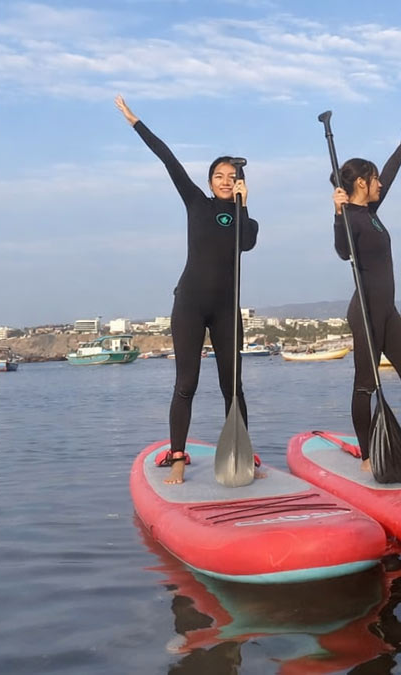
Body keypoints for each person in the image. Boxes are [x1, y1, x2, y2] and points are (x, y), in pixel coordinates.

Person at [116, 95, 259, 484]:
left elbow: (245, 244)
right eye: (220, 176)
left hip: (227, 309)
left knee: (234, 386)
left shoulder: (247, 219)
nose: (226, 181)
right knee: (187, 383)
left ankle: (243, 453)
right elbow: (168, 159)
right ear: (210, 181)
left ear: (240, 183)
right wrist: (136, 123)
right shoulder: (196, 201)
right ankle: (177, 456)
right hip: (191, 304)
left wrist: (245, 205)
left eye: (232, 177)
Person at [331, 113, 401, 471]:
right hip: (365, 312)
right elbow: (343, 252)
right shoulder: (349, 217)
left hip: (387, 311)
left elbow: (391, 178)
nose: (380, 183)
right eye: (375, 179)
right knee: (365, 385)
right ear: (362, 183)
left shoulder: (371, 212)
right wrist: (337, 214)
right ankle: (367, 455)